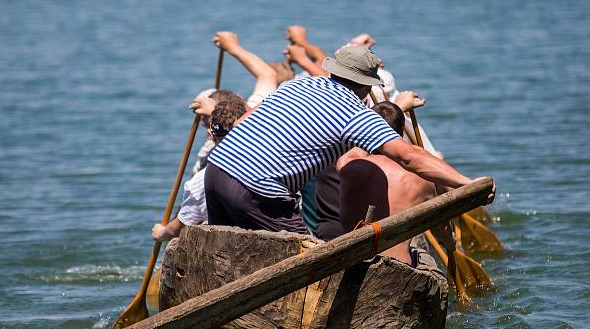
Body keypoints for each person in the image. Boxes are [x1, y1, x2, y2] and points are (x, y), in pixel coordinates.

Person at [205, 46, 494, 233]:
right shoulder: (355, 114)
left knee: (224, 253)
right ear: (367, 86)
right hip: (257, 189)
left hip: (217, 169)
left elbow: (246, 120)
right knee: (303, 265)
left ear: (332, 70)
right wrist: (468, 184)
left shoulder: (300, 83)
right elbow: (410, 157)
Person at [336, 101, 442, 266]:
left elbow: (357, 148)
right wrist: (450, 244)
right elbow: (440, 228)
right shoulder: (421, 180)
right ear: (399, 136)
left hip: (354, 263)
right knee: (425, 257)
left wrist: (370, 132)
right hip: (400, 265)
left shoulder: (347, 165)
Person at [151, 100, 247, 243]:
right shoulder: (266, 157)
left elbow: (176, 229)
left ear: (211, 135)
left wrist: (161, 234)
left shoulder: (204, 179)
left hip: (229, 247)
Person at [191, 31, 278, 175]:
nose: (201, 123)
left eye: (204, 118)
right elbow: (268, 75)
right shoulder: (254, 111)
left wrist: (214, 113)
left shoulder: (211, 158)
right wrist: (233, 47)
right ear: (240, 100)